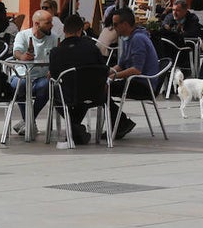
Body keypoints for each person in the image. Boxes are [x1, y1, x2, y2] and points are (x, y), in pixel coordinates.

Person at [48, 14, 106, 144]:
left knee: (54, 93)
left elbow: (54, 76)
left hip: (68, 95)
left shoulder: (56, 52)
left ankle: (73, 127)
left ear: (64, 30)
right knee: (81, 94)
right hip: (94, 94)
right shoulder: (92, 48)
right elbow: (102, 69)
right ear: (81, 30)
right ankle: (75, 128)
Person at [106, 8, 161, 140]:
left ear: (125, 24)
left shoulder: (138, 39)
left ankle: (121, 123)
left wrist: (113, 77)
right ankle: (120, 123)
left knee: (102, 89)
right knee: (101, 85)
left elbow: (136, 70)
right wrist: (105, 73)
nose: (113, 28)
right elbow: (120, 65)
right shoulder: (130, 39)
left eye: (115, 25)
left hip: (144, 85)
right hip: (136, 81)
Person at [9, 9, 59, 136]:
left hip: (42, 76)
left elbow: (56, 57)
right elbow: (17, 52)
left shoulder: (54, 38)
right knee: (19, 85)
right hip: (22, 74)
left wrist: (53, 69)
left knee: (47, 86)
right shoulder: (23, 35)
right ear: (37, 24)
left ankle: (28, 121)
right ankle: (30, 121)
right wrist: (22, 56)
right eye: (48, 23)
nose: (51, 25)